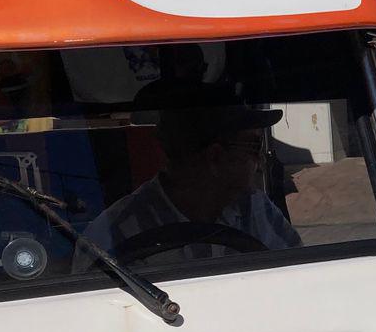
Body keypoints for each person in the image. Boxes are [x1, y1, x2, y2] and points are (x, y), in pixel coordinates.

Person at [76, 86, 300, 269]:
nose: (260, 162)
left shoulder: (256, 208)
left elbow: (298, 272)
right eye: (254, 147)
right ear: (215, 157)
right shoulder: (113, 234)